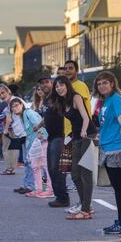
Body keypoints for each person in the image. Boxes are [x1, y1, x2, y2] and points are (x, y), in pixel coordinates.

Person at [50, 75, 97, 220]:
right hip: (76, 137)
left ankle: (85, 210)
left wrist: (83, 130)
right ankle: (85, 205)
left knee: (85, 173)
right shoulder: (63, 102)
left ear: (67, 85)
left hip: (87, 135)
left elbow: (85, 117)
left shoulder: (76, 97)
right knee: (75, 174)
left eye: (61, 85)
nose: (59, 88)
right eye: (56, 86)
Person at [93, 71, 121, 234]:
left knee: (120, 187)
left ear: (112, 84)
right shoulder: (105, 101)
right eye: (99, 84)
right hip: (106, 147)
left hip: (116, 148)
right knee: (117, 187)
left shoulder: (115, 99)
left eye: (105, 83)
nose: (102, 86)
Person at [37, 75, 70, 208]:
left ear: (52, 83)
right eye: (41, 83)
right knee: (51, 169)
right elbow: (48, 116)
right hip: (51, 137)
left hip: (60, 137)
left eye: (46, 82)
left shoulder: (58, 97)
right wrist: (39, 125)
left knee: (57, 169)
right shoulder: (46, 99)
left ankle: (63, 198)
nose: (44, 85)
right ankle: (59, 196)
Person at [10, 98, 54, 198]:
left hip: (42, 141)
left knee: (45, 166)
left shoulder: (28, 112)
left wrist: (42, 136)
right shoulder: (22, 116)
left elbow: (39, 123)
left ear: (22, 104)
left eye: (17, 105)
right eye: (12, 107)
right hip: (34, 144)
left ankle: (50, 190)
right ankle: (38, 189)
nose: (15, 108)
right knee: (35, 166)